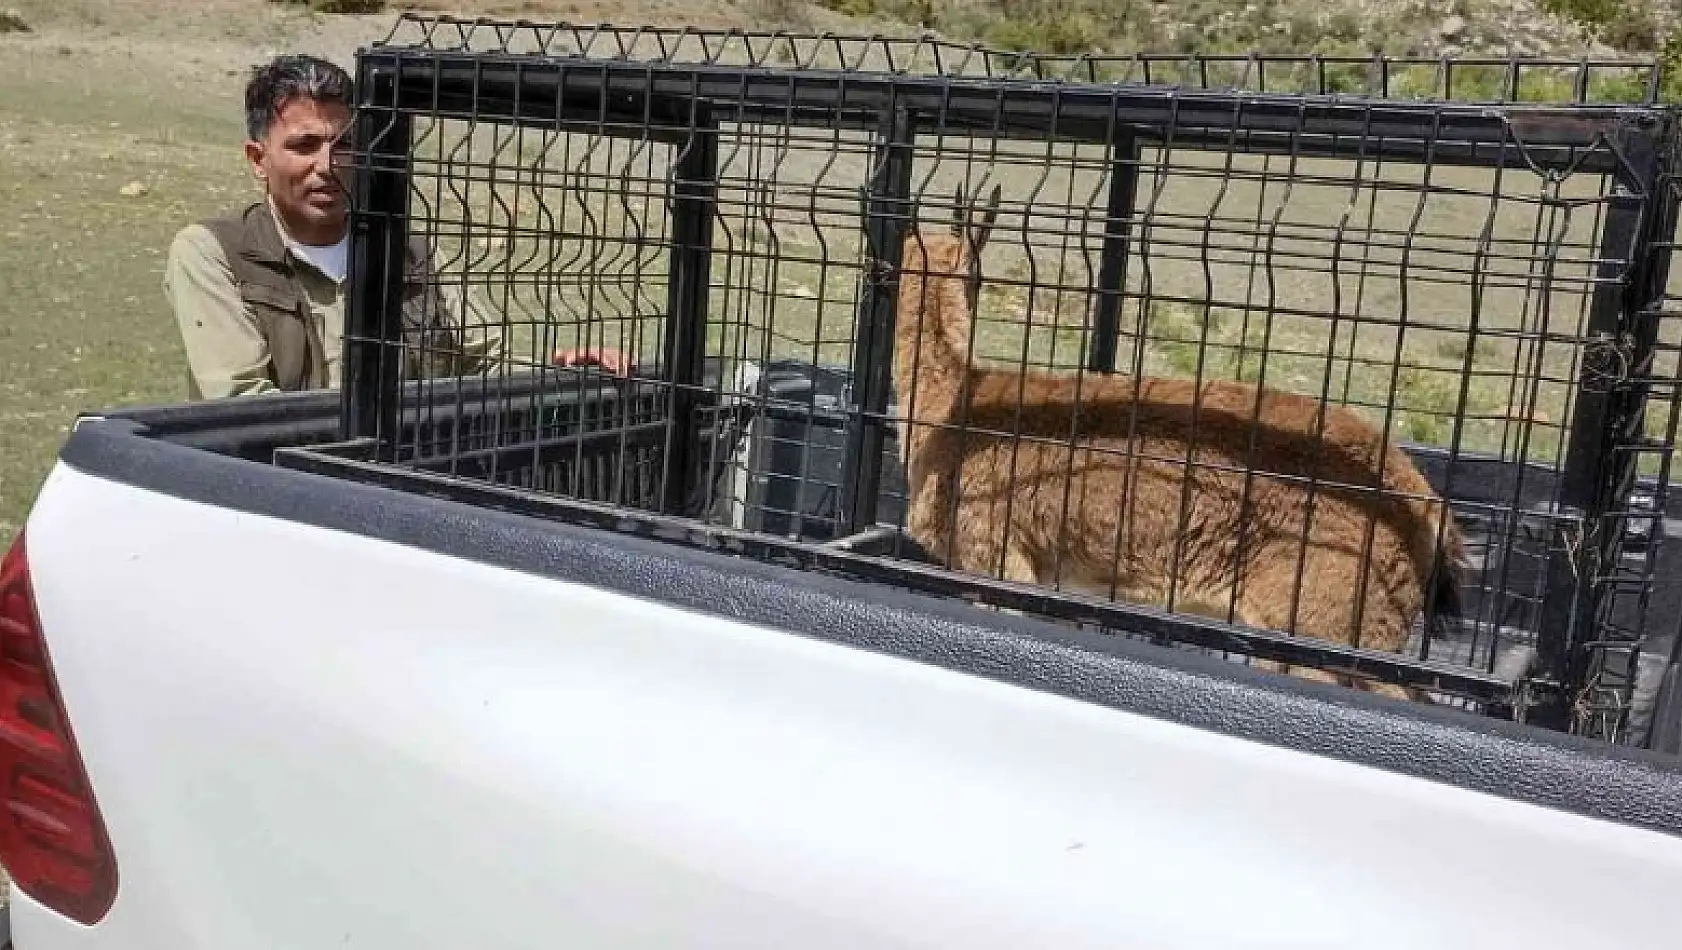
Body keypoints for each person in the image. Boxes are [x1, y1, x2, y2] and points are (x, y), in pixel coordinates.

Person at [164, 53, 625, 401]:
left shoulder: (410, 255)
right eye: (304, 146)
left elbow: (487, 362)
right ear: (258, 159)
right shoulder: (215, 254)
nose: (328, 165)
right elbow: (242, 405)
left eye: (343, 145)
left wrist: (560, 373)